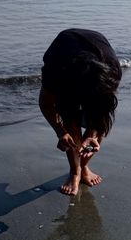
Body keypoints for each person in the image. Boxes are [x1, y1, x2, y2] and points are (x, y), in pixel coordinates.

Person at [39, 28, 122, 195]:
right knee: (71, 120)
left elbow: (103, 111)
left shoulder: (111, 71)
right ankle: (75, 171)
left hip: (99, 50)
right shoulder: (56, 71)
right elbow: (45, 104)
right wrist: (60, 132)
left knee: (101, 120)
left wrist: (92, 133)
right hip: (64, 50)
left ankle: (84, 166)